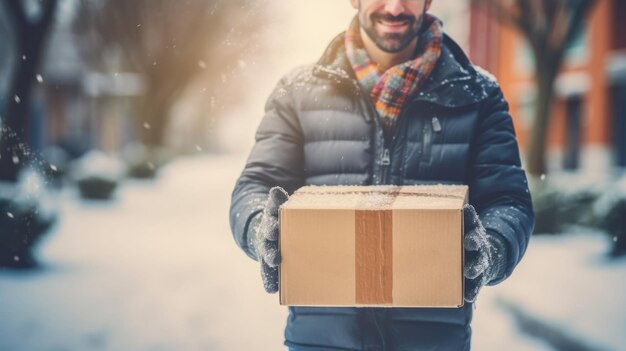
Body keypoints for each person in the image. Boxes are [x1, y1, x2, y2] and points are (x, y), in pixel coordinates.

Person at [230, 0, 534, 349]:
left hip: (431, 340)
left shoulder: (479, 94)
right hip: (322, 340)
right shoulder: (298, 92)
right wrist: (259, 230)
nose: (394, 7)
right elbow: (254, 187)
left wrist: (491, 248)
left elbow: (509, 201)